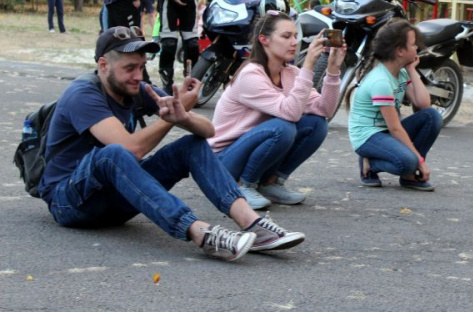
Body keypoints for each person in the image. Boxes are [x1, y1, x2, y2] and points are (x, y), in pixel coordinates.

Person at [37, 26, 305, 261]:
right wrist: (168, 122)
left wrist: (183, 116)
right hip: (71, 203)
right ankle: (201, 233)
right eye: (129, 68)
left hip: (116, 198)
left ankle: (254, 226)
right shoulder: (82, 94)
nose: (138, 76)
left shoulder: (138, 89)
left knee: (191, 144)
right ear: (104, 65)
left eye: (141, 67)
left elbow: (208, 130)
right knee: (113, 154)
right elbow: (131, 150)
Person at [209, 10, 344, 209]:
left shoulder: (290, 73)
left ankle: (270, 183)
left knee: (317, 124)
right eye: (286, 36)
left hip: (250, 149)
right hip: (223, 160)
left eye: (296, 36)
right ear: (264, 40)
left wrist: (333, 69)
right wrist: (308, 66)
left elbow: (325, 110)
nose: (294, 42)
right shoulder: (250, 75)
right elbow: (290, 113)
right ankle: (242, 186)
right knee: (284, 127)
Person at [348, 18, 442, 191]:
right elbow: (395, 129)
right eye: (413, 44)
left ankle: (410, 176)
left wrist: (412, 70)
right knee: (408, 162)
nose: (417, 48)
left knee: (432, 116)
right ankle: (370, 164)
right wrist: (420, 161)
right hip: (368, 136)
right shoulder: (381, 81)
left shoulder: (401, 74)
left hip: (384, 132)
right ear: (400, 51)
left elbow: (423, 104)